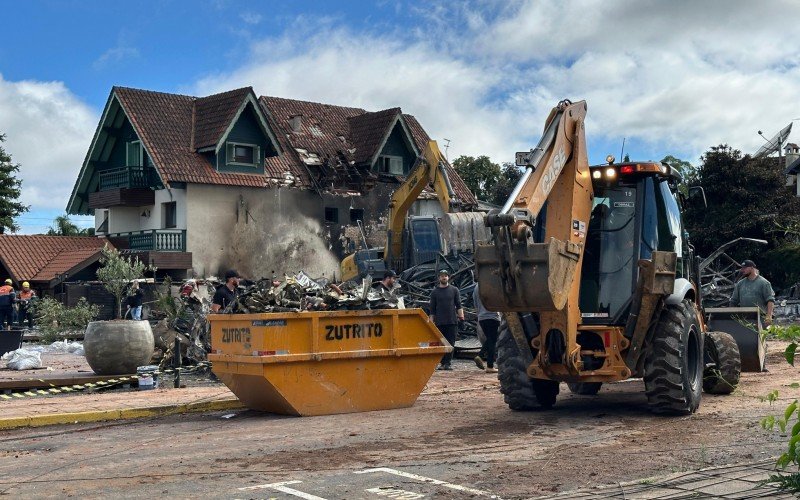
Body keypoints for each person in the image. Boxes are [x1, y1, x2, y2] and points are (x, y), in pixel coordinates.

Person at [429, 269, 464, 370]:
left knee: (451, 342)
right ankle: (442, 363)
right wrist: (431, 324)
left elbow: (459, 305)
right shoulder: (435, 292)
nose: (444, 277)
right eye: (441, 276)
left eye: (445, 276)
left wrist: (462, 319)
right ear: (439, 278)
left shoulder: (454, 290)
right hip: (440, 322)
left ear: (448, 277)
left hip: (452, 321)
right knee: (441, 343)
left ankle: (448, 363)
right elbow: (432, 310)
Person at [730, 259, 775, 327]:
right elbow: (733, 301)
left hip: (760, 318)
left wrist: (769, 316)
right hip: (744, 319)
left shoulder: (764, 283)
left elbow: (770, 300)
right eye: (742, 268)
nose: (742, 270)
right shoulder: (740, 284)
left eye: (745, 268)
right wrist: (731, 316)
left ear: (752, 268)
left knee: (760, 336)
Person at [472, 283, 501, 373]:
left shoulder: (476, 287)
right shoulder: (491, 284)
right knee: (492, 341)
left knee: (489, 340)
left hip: (482, 318)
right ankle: (489, 366)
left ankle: (481, 356)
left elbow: (475, 304)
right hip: (492, 316)